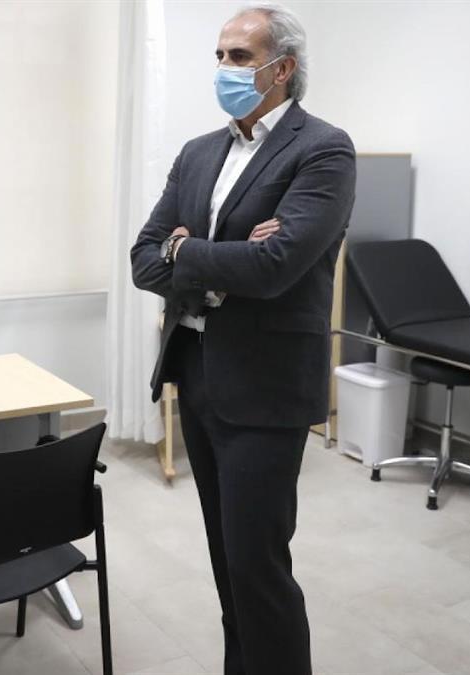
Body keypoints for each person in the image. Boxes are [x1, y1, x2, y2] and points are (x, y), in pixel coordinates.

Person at [131, 3, 356, 673]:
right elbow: (144, 258)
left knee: (259, 566)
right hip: (199, 370)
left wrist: (186, 250)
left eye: (239, 56)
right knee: (226, 559)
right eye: (220, 55)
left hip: (267, 383)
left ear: (282, 69)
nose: (223, 68)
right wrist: (216, 258)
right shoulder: (199, 152)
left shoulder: (323, 150)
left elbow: (275, 266)